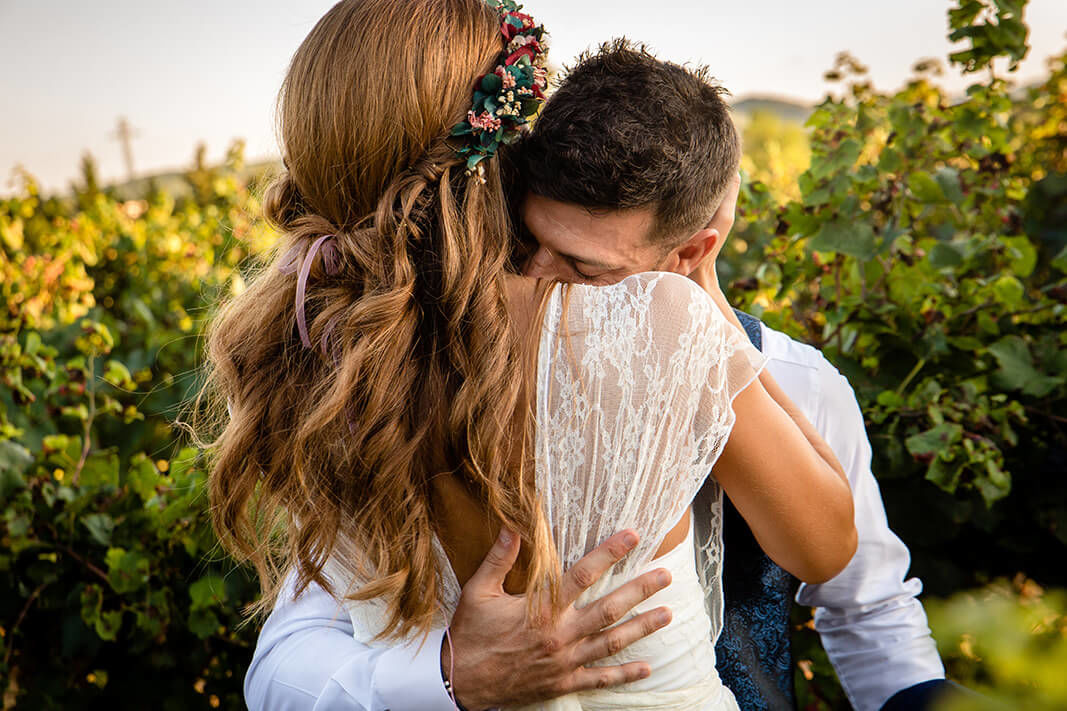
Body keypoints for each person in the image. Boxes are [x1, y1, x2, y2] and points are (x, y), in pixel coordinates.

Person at [243, 39, 957, 711]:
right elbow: (288, 654)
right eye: (527, 242)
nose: (539, 277)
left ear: (689, 250)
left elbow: (859, 591)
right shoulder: (403, 376)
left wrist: (704, 311)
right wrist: (450, 670)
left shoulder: (795, 378)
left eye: (586, 268)